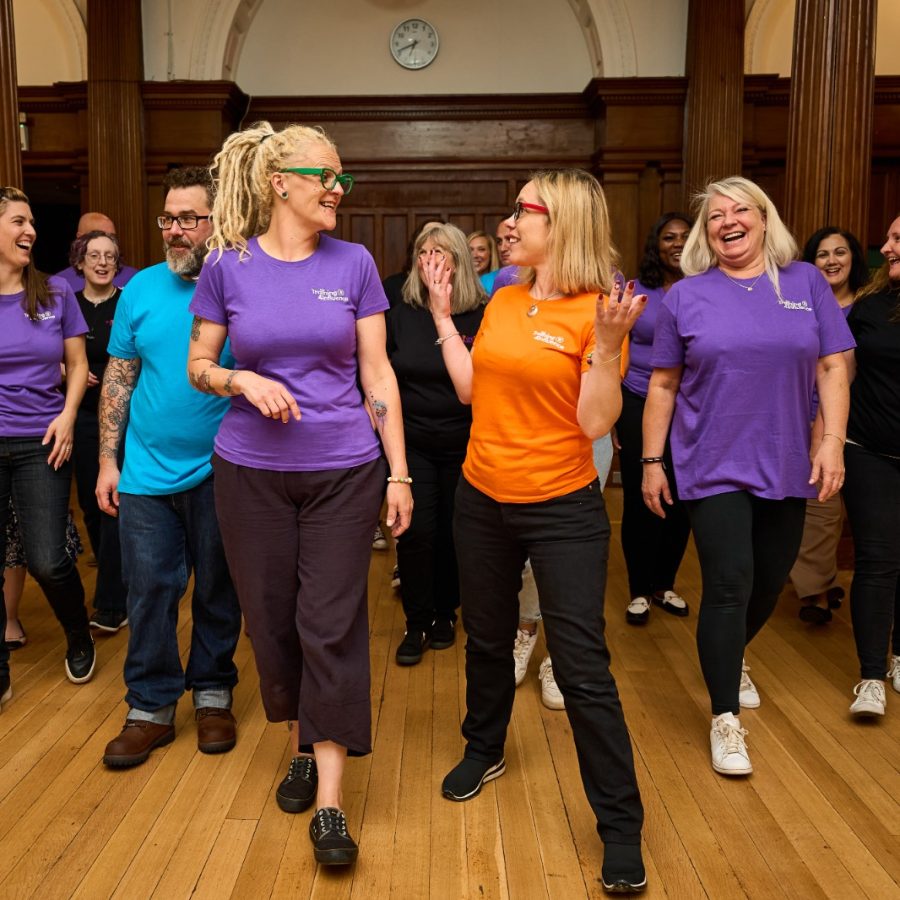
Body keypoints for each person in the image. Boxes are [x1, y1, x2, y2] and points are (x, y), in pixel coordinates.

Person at [187, 121, 412, 868]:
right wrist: (239, 379)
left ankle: (330, 804)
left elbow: (378, 377)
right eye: (327, 176)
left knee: (331, 622)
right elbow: (199, 364)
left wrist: (399, 472)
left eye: (343, 178)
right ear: (280, 182)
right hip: (248, 474)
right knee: (273, 623)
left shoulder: (354, 265)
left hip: (345, 469)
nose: (338, 190)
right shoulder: (227, 266)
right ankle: (303, 746)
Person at [434, 169, 647, 893]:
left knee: (584, 669)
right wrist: (440, 317)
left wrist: (612, 347)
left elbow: (593, 424)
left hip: (562, 507)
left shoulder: (604, 310)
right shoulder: (503, 296)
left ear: (562, 223)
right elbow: (472, 390)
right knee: (488, 638)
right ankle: (483, 746)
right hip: (481, 496)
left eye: (523, 211)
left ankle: (620, 828)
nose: (509, 222)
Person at [642, 176, 854, 777]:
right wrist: (653, 462)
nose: (727, 222)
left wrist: (832, 443)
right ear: (706, 234)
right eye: (715, 217)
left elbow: (833, 369)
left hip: (788, 456)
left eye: (739, 211)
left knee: (770, 580)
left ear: (764, 219)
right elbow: (663, 384)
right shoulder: (687, 295)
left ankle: (732, 656)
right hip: (711, 459)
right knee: (730, 583)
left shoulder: (806, 283)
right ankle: (724, 718)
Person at [97, 167, 241, 769]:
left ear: (216, 222)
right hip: (145, 474)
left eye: (189, 218)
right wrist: (108, 459)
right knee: (150, 589)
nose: (176, 230)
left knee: (216, 585)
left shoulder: (239, 283)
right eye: (168, 219)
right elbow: (120, 378)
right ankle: (151, 708)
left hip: (223, 468)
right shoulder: (140, 290)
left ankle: (212, 693)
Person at [0, 186, 95, 705]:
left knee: (47, 559)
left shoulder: (55, 293)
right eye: (17, 221)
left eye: (31, 221)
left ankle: (78, 633)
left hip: (42, 439)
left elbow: (78, 365)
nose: (29, 230)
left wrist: (66, 415)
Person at [389, 223, 485, 665]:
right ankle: (417, 620)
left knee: (453, 531)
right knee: (416, 530)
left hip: (467, 441)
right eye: (423, 251)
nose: (431, 259)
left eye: (442, 252)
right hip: (411, 442)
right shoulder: (396, 301)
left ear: (460, 260)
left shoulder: (481, 310)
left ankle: (446, 613)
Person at [618, 213, 693, 626]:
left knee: (680, 496)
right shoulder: (637, 288)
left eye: (685, 236)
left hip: (690, 407)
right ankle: (638, 589)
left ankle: (665, 583)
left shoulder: (705, 287)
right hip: (637, 398)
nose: (677, 243)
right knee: (639, 492)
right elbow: (619, 347)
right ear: (656, 244)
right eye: (669, 237)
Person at [791, 227, 869, 624]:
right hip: (808, 415)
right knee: (820, 504)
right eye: (822, 254)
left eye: (840, 252)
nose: (832, 260)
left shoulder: (871, 307)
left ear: (854, 258)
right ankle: (815, 591)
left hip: (868, 422)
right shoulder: (797, 305)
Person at [841, 214, 900, 717]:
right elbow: (840, 373)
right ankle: (870, 676)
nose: (885, 247)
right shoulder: (868, 307)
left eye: (898, 238)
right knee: (878, 560)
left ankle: (899, 654)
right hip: (868, 450)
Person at [68, 229, 129, 632]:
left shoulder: (127, 303)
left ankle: (111, 605)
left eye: (110, 256)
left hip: (124, 420)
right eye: (95, 256)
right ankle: (117, 586)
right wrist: (66, 370)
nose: (103, 262)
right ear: (80, 262)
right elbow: (47, 355)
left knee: (113, 508)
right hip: (81, 418)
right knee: (91, 507)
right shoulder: (66, 306)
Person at [55, 213, 138, 291]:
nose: (106, 241)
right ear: (79, 238)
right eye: (98, 235)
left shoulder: (134, 278)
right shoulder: (59, 283)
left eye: (112, 237)